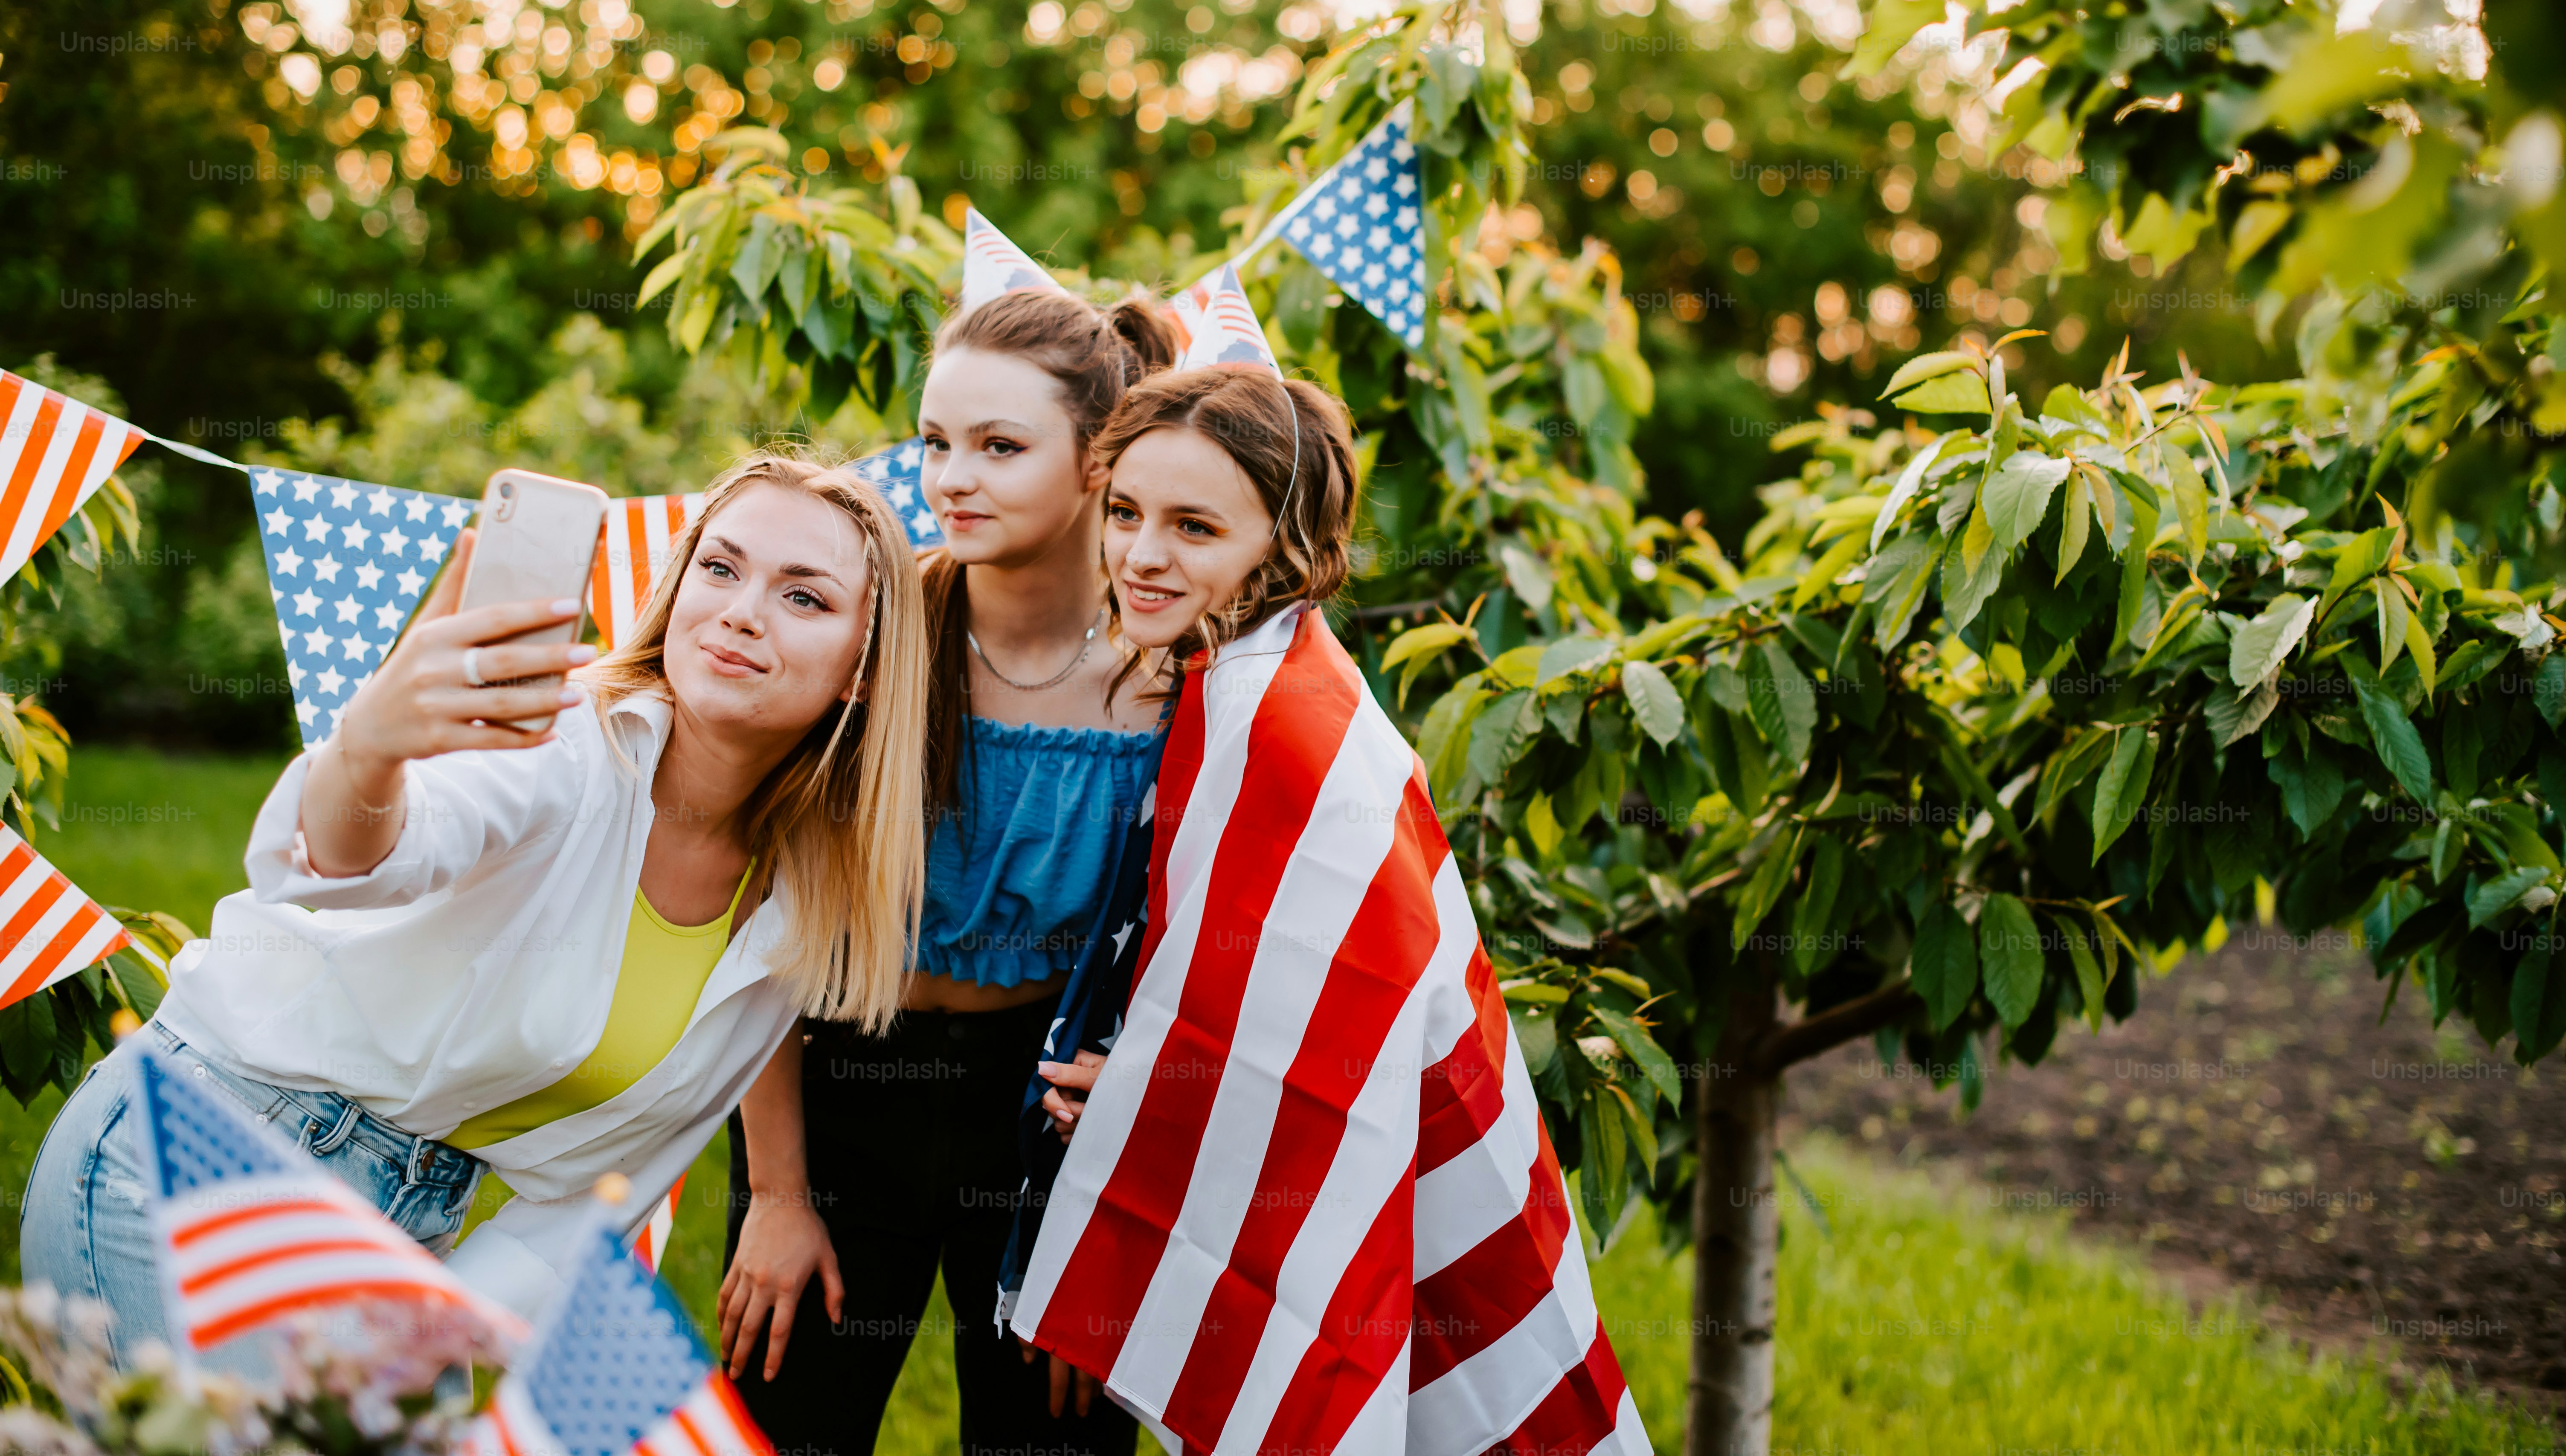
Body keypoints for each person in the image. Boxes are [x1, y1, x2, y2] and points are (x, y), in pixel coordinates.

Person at [23, 451, 930, 1360]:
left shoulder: (795, 905)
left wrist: (426, 1335)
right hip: (197, 1155)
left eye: (802, 597)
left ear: (862, 669)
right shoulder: (563, 742)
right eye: (720, 568)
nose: (740, 611)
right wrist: (373, 744)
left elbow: (597, 1199)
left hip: (405, 1235)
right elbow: (359, 857)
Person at [1008, 368, 1647, 1456]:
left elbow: (1349, 1029)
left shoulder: (1286, 721)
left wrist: (1155, 1095)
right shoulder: (1234, 671)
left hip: (1421, 1185)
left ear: (1286, 543)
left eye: (1194, 525)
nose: (1141, 554)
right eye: (1124, 511)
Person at [716, 288, 1175, 1456]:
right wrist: (777, 1194)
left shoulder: (1173, 678)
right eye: (936, 443)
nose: (950, 478)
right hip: (838, 1086)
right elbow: (760, 914)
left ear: (1097, 463)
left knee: (1049, 1437)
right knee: (785, 1426)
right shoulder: (871, 633)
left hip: (1045, 1120)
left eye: (1000, 447)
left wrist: (1109, 1216)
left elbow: (1199, 956)